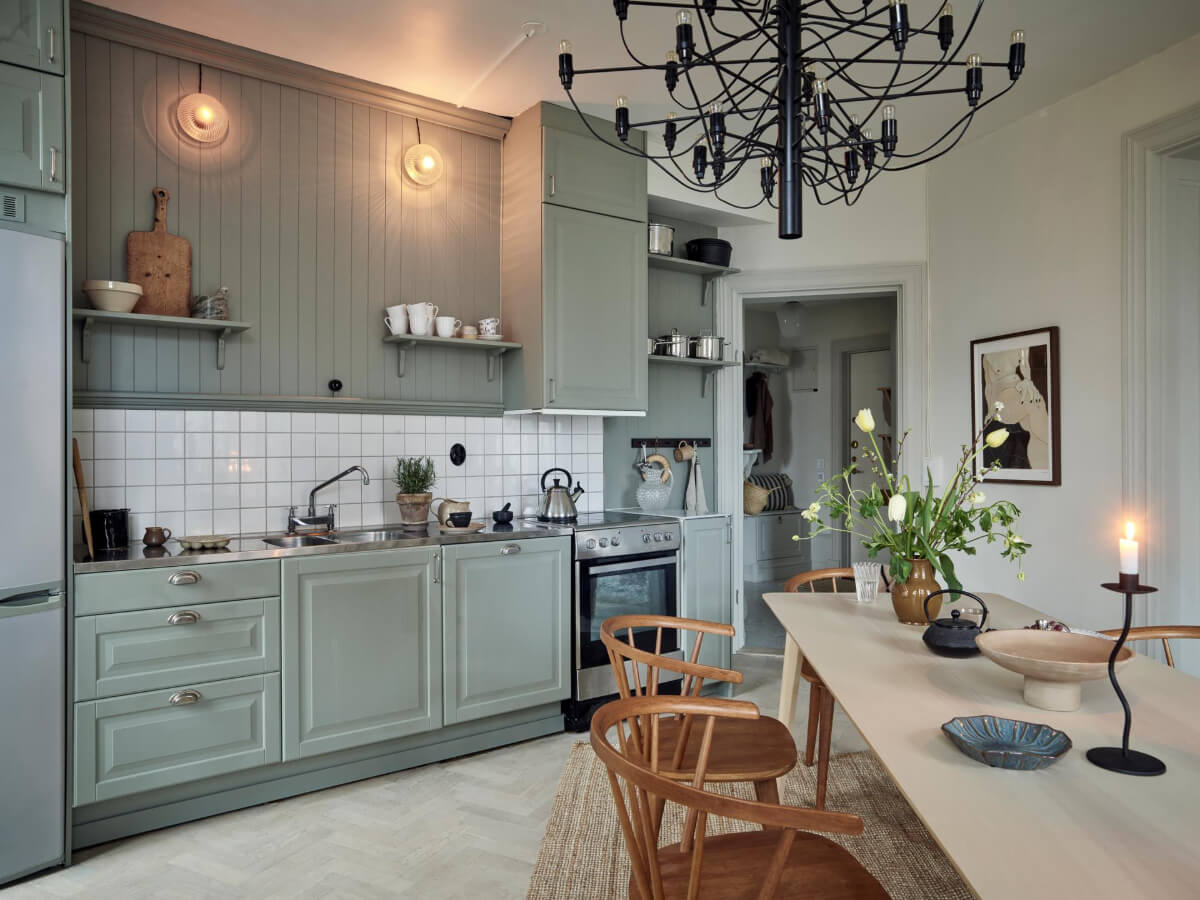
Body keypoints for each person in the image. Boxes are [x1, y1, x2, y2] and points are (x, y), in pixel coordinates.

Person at [982, 347, 1050, 470]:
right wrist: (990, 410)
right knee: (1034, 407)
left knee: (1036, 406)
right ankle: (1052, 444)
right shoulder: (988, 353)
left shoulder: (1021, 346)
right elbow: (990, 384)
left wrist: (1027, 382)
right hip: (1002, 395)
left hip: (1020, 388)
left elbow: (1025, 367)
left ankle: (1043, 468)